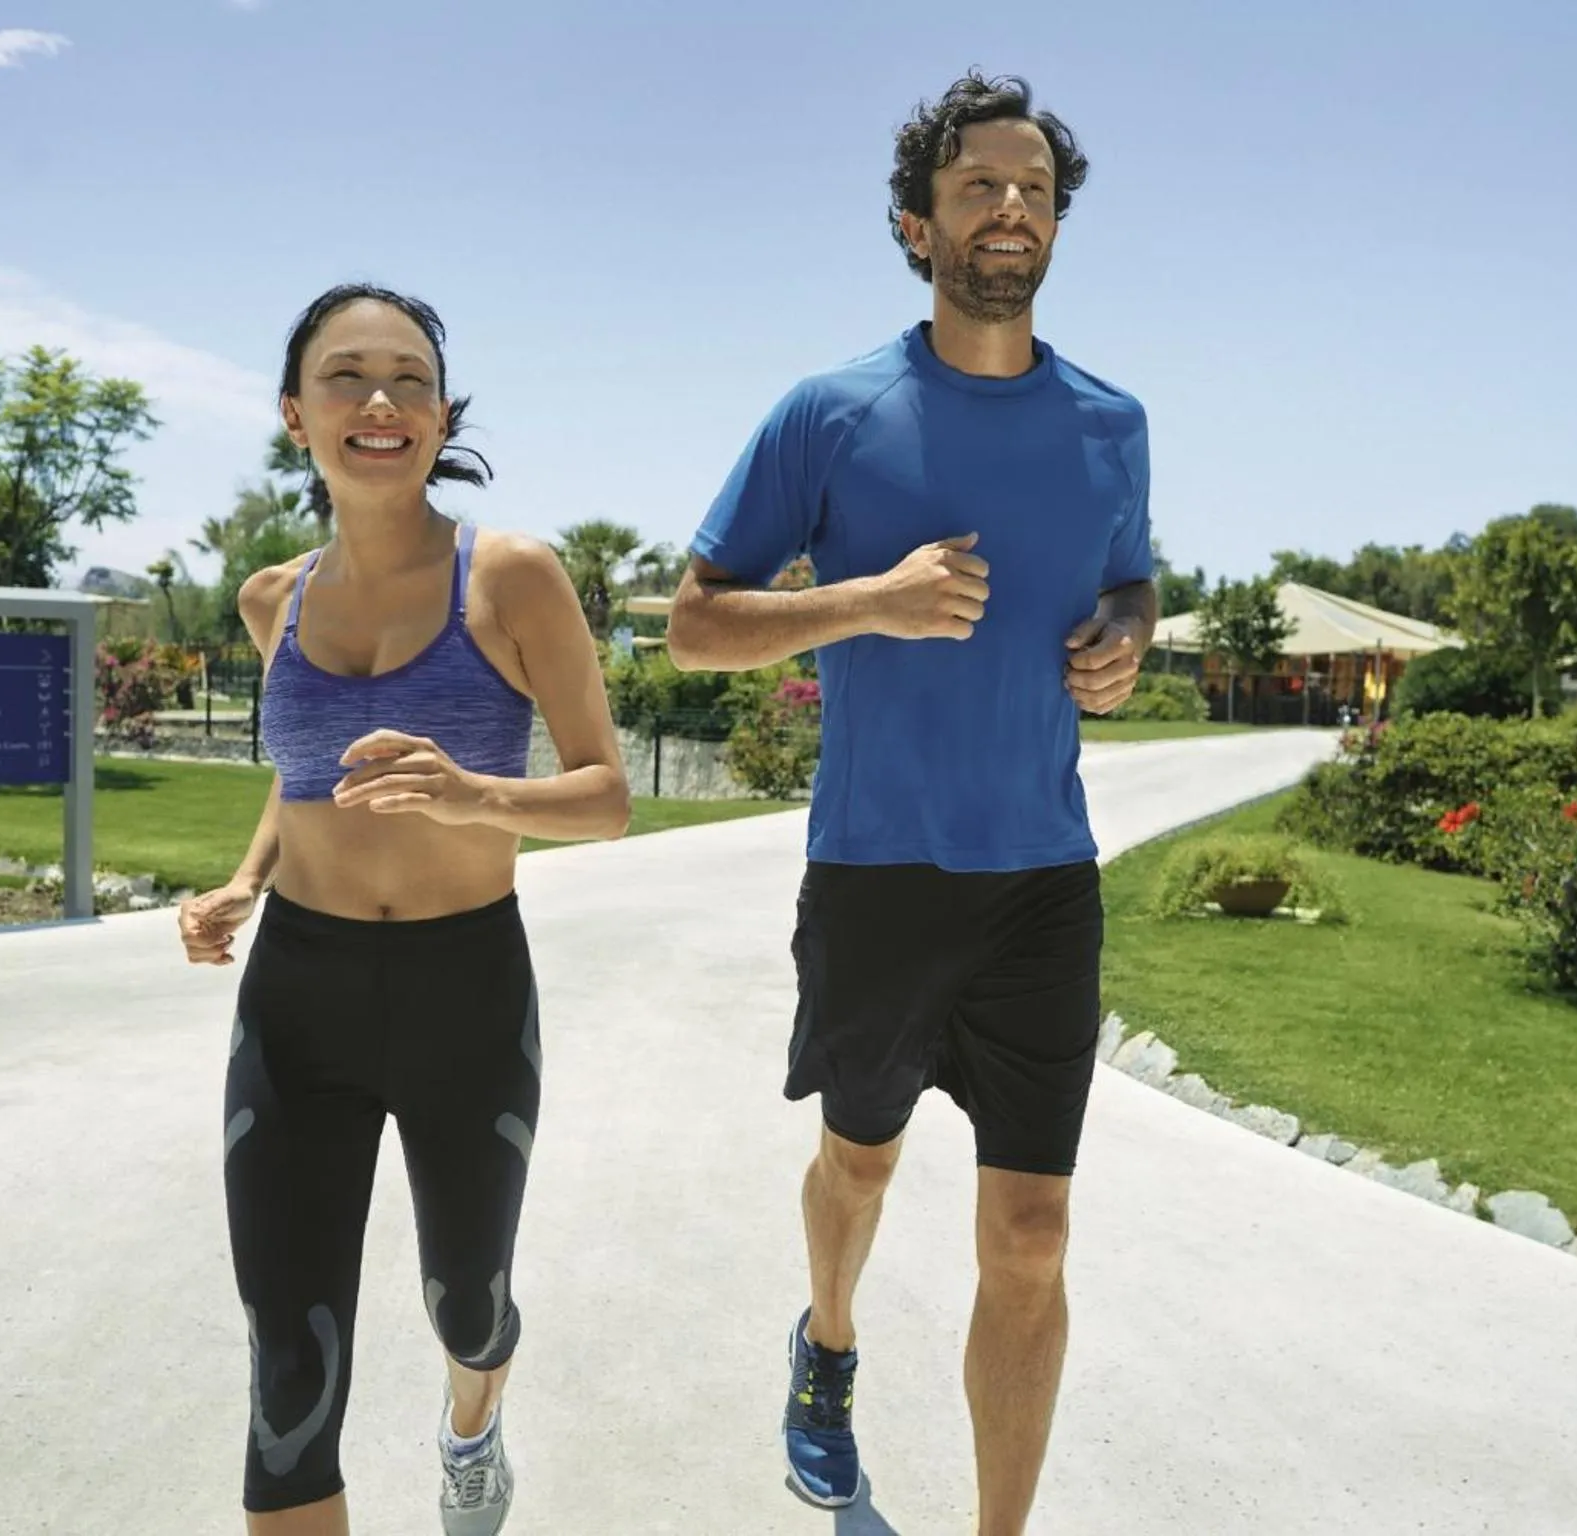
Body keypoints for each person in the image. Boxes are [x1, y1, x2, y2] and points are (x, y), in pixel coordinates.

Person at [666, 71, 1157, 1536]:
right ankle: (826, 1345)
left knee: (1032, 1231)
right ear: (915, 221)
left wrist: (1124, 638)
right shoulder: (829, 414)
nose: (1009, 211)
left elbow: (1127, 573)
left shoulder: (1109, 422)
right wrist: (865, 603)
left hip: (1039, 881)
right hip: (877, 870)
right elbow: (692, 623)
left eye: (1033, 191)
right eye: (977, 188)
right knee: (858, 1163)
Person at [176, 282, 630, 1536]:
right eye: (345, 376)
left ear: (438, 416)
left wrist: (473, 795)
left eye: (409, 379)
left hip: (464, 994)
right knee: (287, 1374)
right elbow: (299, 779)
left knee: (466, 1302)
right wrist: (243, 880)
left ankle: (473, 1418)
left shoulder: (517, 577)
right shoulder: (274, 598)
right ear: (293, 414)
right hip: (298, 1002)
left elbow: (605, 798)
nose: (379, 401)